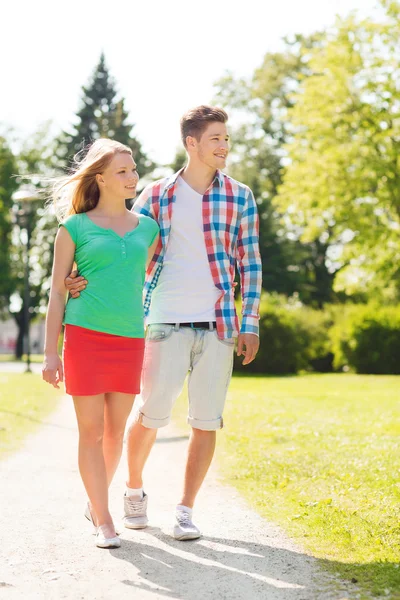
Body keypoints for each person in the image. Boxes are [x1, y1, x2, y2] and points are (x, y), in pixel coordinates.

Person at [66, 105, 262, 541]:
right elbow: (121, 245)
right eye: (215, 139)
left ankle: (186, 510)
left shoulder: (240, 196)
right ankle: (132, 490)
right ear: (191, 143)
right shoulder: (156, 195)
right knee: (151, 417)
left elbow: (251, 262)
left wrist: (250, 320)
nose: (224, 146)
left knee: (206, 421)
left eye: (226, 139)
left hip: (220, 324)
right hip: (163, 322)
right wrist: (78, 279)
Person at [42, 139, 159, 549]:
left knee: (114, 434)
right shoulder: (73, 227)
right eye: (124, 171)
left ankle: (96, 504)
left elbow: (142, 276)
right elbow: (57, 292)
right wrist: (49, 352)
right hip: (85, 337)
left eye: (133, 169)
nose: (133, 177)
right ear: (101, 178)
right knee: (90, 433)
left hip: (130, 338)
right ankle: (104, 519)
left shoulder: (148, 227)